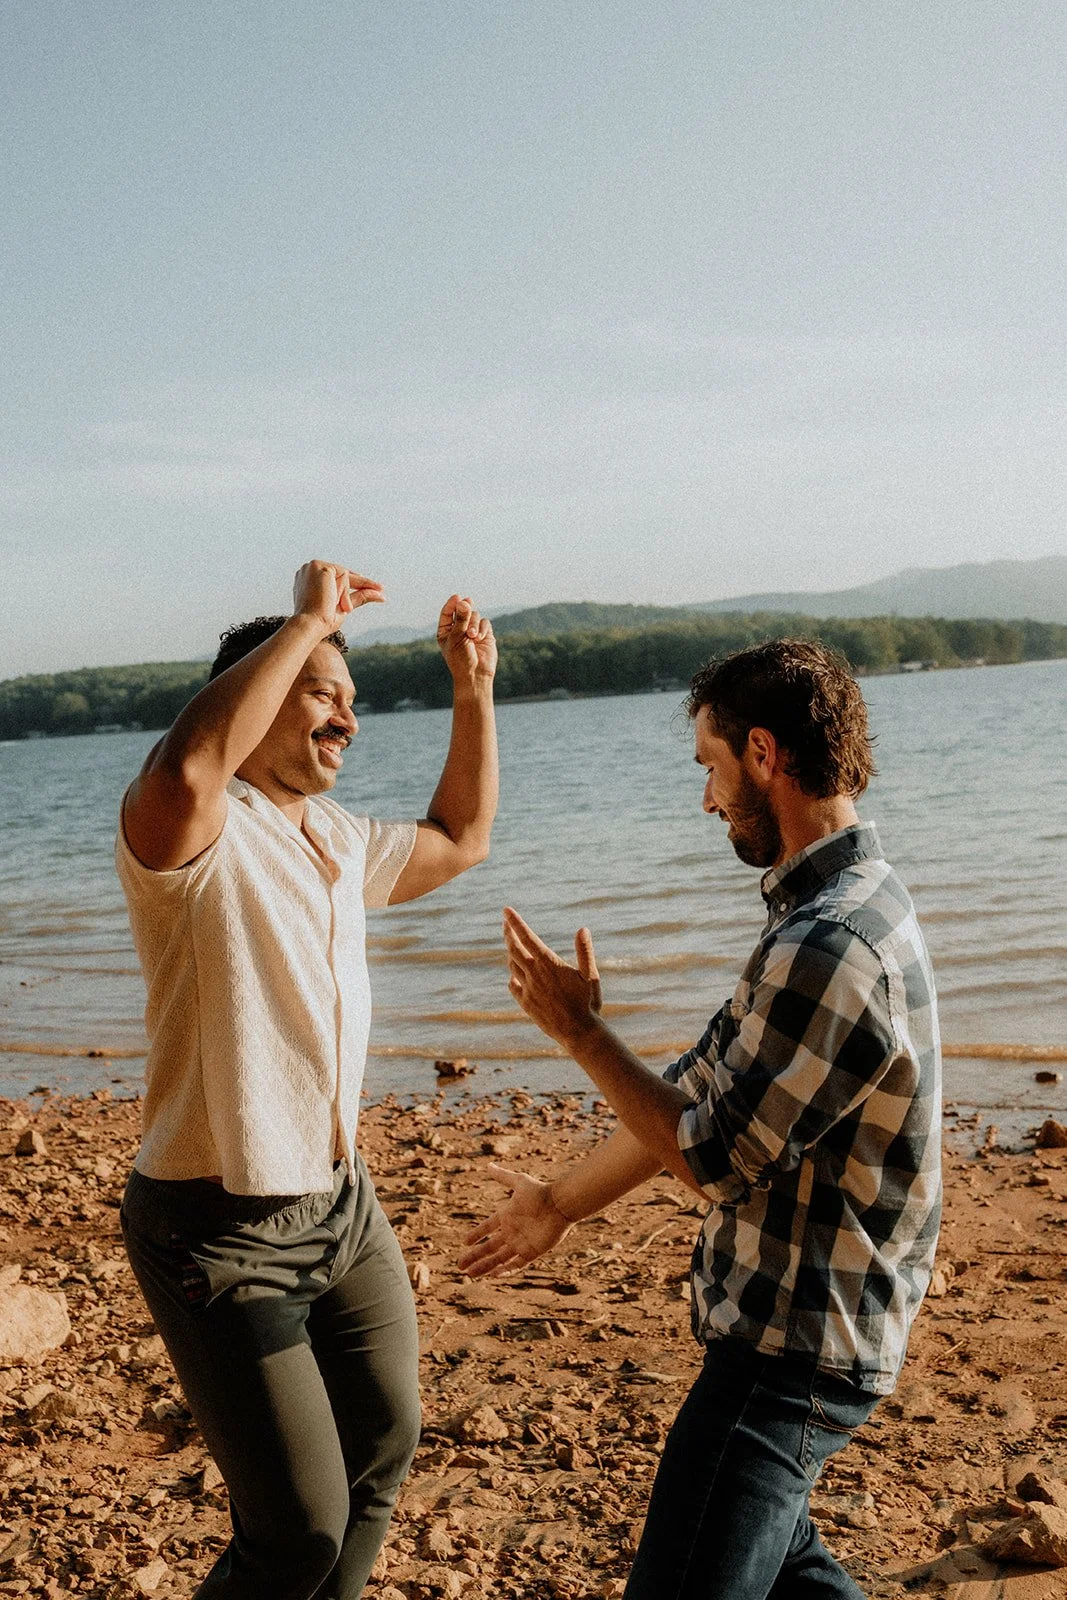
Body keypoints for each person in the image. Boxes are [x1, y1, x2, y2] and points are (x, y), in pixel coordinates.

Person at [461, 637, 941, 1600]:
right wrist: (557, 1203)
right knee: (791, 1575)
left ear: (763, 756)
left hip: (794, 1351)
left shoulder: (830, 942)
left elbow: (712, 1158)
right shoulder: (825, 907)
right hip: (802, 1330)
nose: (707, 800)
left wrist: (580, 1033)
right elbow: (698, 1085)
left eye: (711, 770)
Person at [116, 560, 498, 1600]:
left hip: (340, 1202)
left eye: (353, 702)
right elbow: (192, 766)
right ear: (256, 695)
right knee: (296, 1533)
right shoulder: (191, 830)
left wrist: (473, 690)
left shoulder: (331, 838)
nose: (348, 721)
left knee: (384, 1439)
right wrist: (306, 622)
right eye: (324, 694)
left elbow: (462, 836)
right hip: (215, 1221)